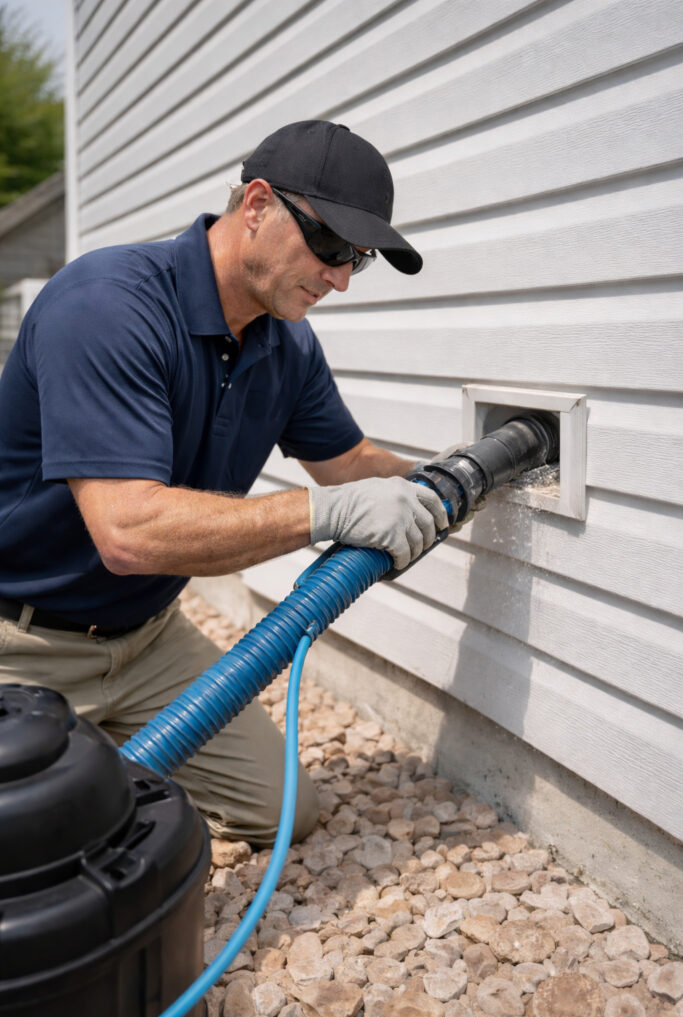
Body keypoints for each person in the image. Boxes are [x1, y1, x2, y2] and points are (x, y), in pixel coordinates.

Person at [0, 120, 450, 846]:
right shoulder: (107, 305)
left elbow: (348, 462)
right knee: (38, 855)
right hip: (20, 643)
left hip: (148, 641)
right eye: (331, 246)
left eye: (357, 261)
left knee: (285, 813)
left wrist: (446, 479)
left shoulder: (285, 342)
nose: (339, 278)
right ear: (258, 205)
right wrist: (325, 513)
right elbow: (128, 532)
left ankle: (100, 758)